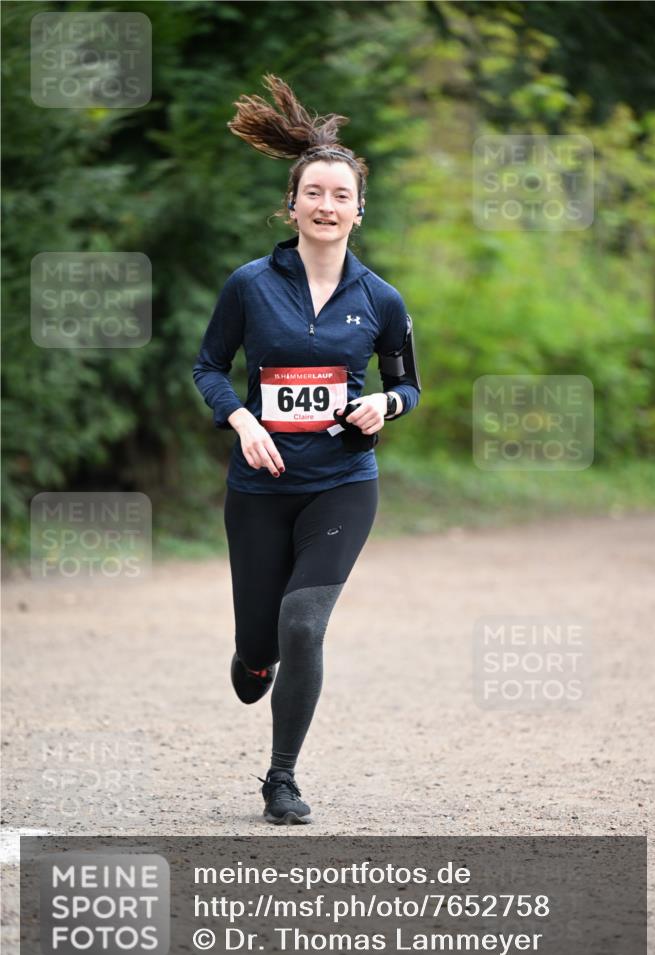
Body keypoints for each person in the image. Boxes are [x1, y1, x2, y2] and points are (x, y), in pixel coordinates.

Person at [192, 74, 421, 825]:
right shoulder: (249, 286)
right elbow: (205, 367)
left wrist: (382, 404)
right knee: (259, 649)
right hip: (259, 487)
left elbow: (406, 388)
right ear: (291, 205)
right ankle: (251, 655)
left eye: (340, 196)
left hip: (342, 483)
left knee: (304, 624)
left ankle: (281, 778)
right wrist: (243, 421)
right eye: (313, 193)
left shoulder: (381, 300)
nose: (326, 206)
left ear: (360, 210)